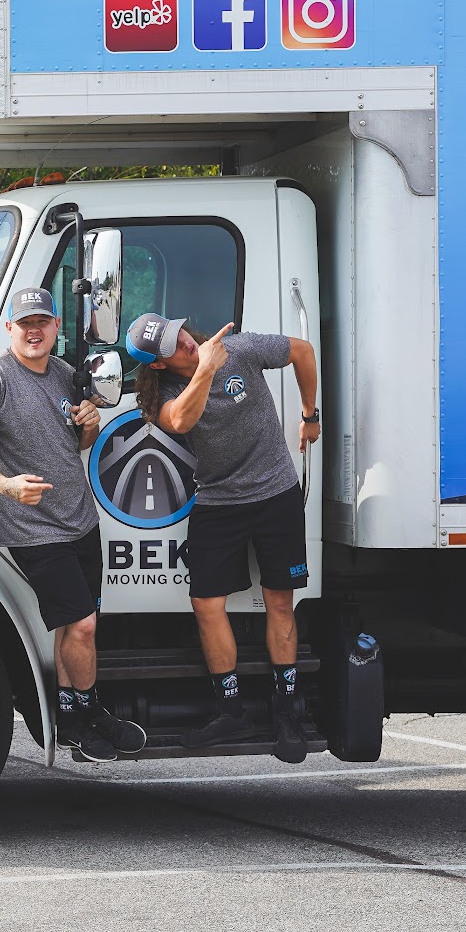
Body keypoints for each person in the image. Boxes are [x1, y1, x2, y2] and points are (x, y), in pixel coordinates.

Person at [0, 290, 146, 763]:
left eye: (41, 321)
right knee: (82, 624)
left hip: (80, 520)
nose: (34, 330)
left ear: (57, 326)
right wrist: (5, 485)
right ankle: (93, 710)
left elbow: (78, 441)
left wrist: (90, 422)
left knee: (73, 624)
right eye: (25, 323)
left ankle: (71, 720)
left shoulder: (64, 374)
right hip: (31, 527)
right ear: (9, 328)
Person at [128, 313, 321, 763]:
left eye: (179, 333)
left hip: (276, 493)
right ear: (158, 365)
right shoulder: (164, 394)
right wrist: (206, 368)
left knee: (279, 601)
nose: (184, 343)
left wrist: (310, 415)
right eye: (171, 346)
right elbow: (180, 420)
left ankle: (287, 710)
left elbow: (302, 351)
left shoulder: (241, 348)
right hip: (218, 500)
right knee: (206, 604)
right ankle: (231, 711)